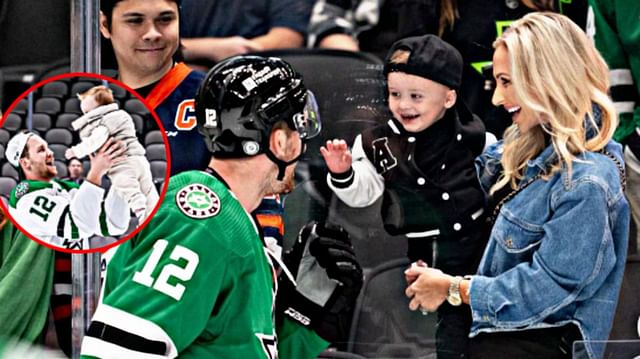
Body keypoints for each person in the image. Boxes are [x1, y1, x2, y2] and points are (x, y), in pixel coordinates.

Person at [80, 55, 363, 357]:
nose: (303, 144)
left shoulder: (229, 221)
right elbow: (115, 353)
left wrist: (305, 321)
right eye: (298, 129)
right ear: (280, 141)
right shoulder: (198, 219)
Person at [404, 12, 629, 359]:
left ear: (548, 78)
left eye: (507, 82)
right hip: (476, 338)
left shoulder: (588, 182)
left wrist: (454, 290)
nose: (496, 99)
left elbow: (549, 288)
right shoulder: (518, 149)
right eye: (497, 83)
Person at [320, 34, 487, 358]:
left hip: (474, 245)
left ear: (449, 98)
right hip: (421, 249)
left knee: (467, 321)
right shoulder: (376, 142)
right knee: (431, 320)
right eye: (395, 94)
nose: (404, 105)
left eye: (416, 95)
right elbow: (363, 193)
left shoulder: (472, 133)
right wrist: (343, 174)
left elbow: (491, 172)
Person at [308, 0, 588, 137]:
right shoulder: (428, 6)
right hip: (461, 149)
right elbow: (412, 77)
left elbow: (580, 74)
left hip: (547, 139)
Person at [5, 132, 131, 250]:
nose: (50, 153)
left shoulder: (66, 188)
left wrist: (120, 175)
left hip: (81, 268)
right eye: (41, 150)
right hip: (51, 271)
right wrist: (96, 172)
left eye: (47, 148)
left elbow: (112, 224)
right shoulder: (24, 197)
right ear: (25, 162)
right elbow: (77, 227)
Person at [66, 85, 159, 221]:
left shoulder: (103, 121)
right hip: (139, 159)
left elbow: (96, 139)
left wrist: (76, 151)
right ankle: (156, 213)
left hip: (121, 163)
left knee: (128, 188)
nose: (85, 115)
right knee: (148, 189)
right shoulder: (122, 115)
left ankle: (141, 213)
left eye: (86, 112)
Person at [180, 0, 314, 67]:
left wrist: (242, 51)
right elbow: (161, 38)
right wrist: (211, 49)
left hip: (255, 72)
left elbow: (288, 37)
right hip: (178, 70)